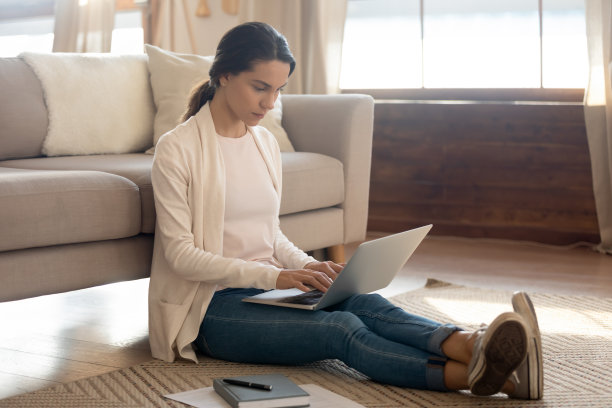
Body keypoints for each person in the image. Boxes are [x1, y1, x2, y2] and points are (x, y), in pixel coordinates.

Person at [148, 21, 543, 399]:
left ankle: (475, 344)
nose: (270, 103)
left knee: (363, 302)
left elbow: (270, 234)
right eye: (260, 88)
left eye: (279, 90)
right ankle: (490, 378)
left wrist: (309, 268)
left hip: (266, 289)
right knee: (340, 328)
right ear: (224, 75)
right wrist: (278, 275)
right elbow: (181, 256)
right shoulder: (177, 149)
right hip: (212, 310)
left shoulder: (264, 143)